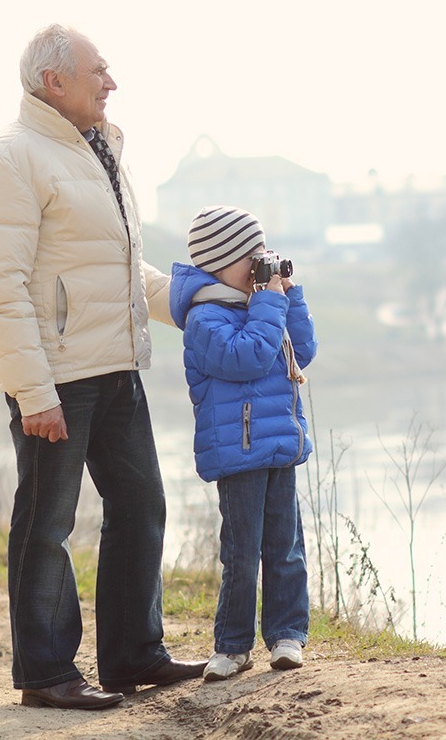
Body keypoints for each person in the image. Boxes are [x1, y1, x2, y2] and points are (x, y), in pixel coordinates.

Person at [0, 24, 205, 711]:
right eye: (99, 69)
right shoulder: (7, 161)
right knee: (47, 524)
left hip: (116, 366)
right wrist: (32, 393)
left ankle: (133, 654)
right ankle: (46, 672)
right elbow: (0, 291)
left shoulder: (99, 149)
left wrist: (201, 297)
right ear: (53, 82)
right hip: (57, 379)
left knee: (141, 506)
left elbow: (125, 271)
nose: (111, 81)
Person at [168, 205, 318, 681]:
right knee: (241, 553)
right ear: (221, 262)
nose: (260, 265)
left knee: (286, 547)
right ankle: (232, 647)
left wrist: (288, 298)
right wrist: (268, 303)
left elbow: (303, 350)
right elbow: (249, 357)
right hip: (239, 454)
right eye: (251, 258)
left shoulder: (259, 305)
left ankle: (287, 636)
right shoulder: (204, 318)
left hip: (277, 445)